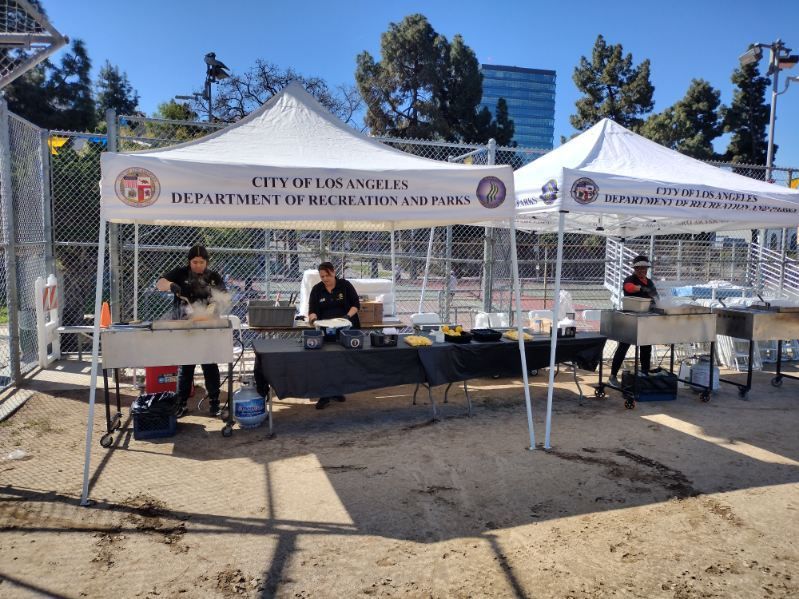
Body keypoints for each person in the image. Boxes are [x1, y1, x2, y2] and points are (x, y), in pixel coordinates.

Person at [156, 244, 227, 417]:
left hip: (206, 326)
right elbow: (160, 283)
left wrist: (213, 306)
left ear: (206, 262)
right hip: (185, 325)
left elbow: (222, 296)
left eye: (201, 262)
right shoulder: (180, 273)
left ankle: (214, 404)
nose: (198, 265)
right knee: (186, 367)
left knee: (210, 364)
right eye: (194, 262)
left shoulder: (213, 277)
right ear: (189, 262)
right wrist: (172, 286)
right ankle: (181, 405)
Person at [307, 261, 360, 409]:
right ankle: (324, 394)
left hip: (345, 328)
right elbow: (312, 310)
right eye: (322, 276)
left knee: (341, 360)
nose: (324, 279)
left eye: (327, 275)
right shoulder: (317, 290)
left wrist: (347, 318)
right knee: (325, 360)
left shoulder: (345, 285)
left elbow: (356, 304)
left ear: (333, 272)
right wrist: (314, 321)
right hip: (326, 330)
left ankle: (337, 390)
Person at [609, 255, 659, 388]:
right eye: (640, 268)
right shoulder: (630, 280)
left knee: (646, 347)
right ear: (635, 268)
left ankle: (644, 374)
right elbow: (629, 287)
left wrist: (655, 301)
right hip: (630, 319)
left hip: (645, 319)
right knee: (623, 346)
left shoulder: (650, 282)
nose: (642, 270)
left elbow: (656, 297)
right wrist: (642, 289)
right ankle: (613, 376)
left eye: (644, 268)